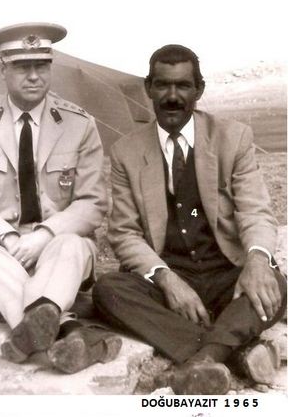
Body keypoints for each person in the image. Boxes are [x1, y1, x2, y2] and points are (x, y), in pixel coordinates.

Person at [93, 44, 286, 394]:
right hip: (168, 278)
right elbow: (123, 233)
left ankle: (201, 358)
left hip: (226, 274)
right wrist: (167, 280)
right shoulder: (126, 152)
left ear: (199, 89)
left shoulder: (233, 137)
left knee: (274, 283)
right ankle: (231, 350)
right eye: (163, 85)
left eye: (183, 86)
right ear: (148, 88)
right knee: (108, 291)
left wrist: (257, 261)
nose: (172, 97)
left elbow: (255, 210)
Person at [0, 23, 119, 374]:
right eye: (23, 66)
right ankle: (66, 329)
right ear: (2, 68)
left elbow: (92, 202)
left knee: (72, 245)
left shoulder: (78, 124)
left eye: (42, 65)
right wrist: (6, 236)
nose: (34, 76)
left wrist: (45, 235)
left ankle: (33, 331)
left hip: (56, 244)